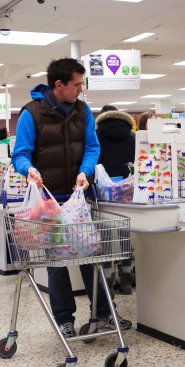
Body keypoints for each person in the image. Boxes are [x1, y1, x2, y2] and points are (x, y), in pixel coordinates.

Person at [11, 58, 130, 336]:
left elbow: (92, 147)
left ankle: (102, 313)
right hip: (48, 201)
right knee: (56, 262)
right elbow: (20, 154)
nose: (81, 89)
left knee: (90, 255)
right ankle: (64, 319)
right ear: (59, 85)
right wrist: (28, 170)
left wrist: (86, 172)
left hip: (78, 198)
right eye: (77, 84)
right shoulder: (31, 113)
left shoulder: (83, 110)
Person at [95, 106, 136, 295]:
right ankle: (126, 279)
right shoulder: (133, 138)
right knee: (124, 234)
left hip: (102, 194)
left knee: (105, 238)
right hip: (127, 193)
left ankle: (108, 281)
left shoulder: (95, 137)